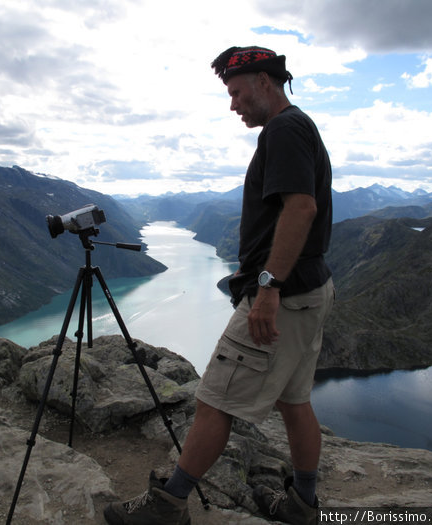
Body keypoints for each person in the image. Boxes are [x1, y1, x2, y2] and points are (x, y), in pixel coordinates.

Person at [104, 45, 335, 525]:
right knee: (295, 401)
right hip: (310, 291)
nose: (233, 105)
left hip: (283, 298)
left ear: (264, 82)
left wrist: (268, 287)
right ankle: (303, 505)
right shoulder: (298, 127)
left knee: (214, 400)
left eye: (235, 93)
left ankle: (169, 505)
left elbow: (301, 209)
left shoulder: (285, 129)